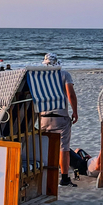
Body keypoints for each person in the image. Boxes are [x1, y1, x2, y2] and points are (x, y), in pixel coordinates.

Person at [39, 53, 79, 187]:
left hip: (42, 117)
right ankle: (65, 178)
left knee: (44, 147)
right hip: (60, 117)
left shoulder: (38, 76)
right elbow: (70, 94)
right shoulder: (64, 75)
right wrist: (75, 112)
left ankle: (43, 175)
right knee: (64, 148)